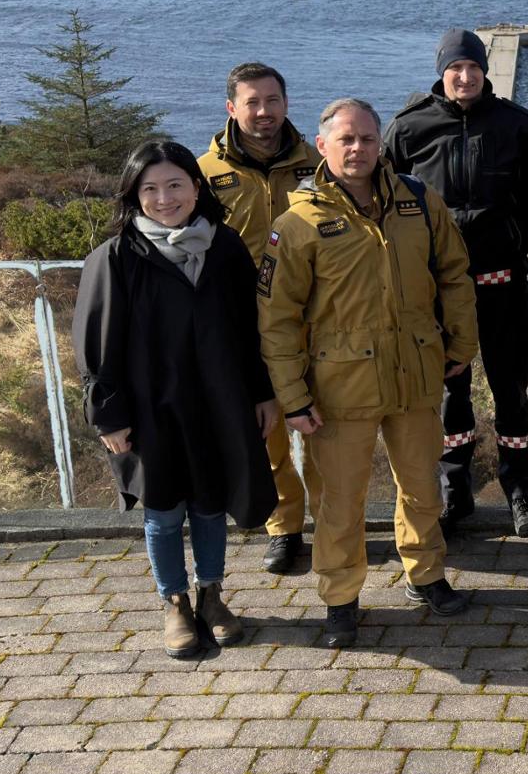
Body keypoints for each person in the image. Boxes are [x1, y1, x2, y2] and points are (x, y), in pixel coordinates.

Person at [261, 99, 479, 648]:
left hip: (415, 373)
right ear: (322, 145)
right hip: (340, 386)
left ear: (381, 143)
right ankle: (340, 599)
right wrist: (292, 396)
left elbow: (455, 274)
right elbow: (278, 319)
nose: (357, 149)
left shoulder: (418, 201)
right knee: (340, 500)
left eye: (367, 138)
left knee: (422, 485)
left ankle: (425, 574)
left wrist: (462, 342)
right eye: (346, 139)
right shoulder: (297, 222)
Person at [73, 139, 278, 658]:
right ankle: (175, 604)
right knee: (163, 511)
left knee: (210, 505)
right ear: (133, 195)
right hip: (150, 411)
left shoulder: (225, 248)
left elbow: (249, 332)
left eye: (175, 185)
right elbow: (96, 344)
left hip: (217, 405)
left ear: (196, 187)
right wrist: (108, 417)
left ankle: (212, 596)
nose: (164, 199)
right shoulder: (116, 257)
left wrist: (262, 394)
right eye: (150, 189)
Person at [383, 28, 528, 538]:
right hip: (435, 289)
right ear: (442, 72)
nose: (465, 76)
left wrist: (510, 234)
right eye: (455, 68)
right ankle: (456, 490)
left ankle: (519, 492)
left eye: (473, 67)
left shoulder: (516, 124)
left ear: (484, 71)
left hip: (501, 282)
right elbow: (388, 194)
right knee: (449, 393)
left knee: (510, 391)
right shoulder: (409, 127)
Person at [196, 62, 324, 575]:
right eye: (252, 102)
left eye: (272, 100)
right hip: (243, 325)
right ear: (232, 108)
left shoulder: (319, 163)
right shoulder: (204, 174)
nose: (264, 111)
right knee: (266, 430)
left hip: (314, 319)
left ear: (286, 103)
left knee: (323, 428)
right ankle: (284, 528)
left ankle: (334, 525)